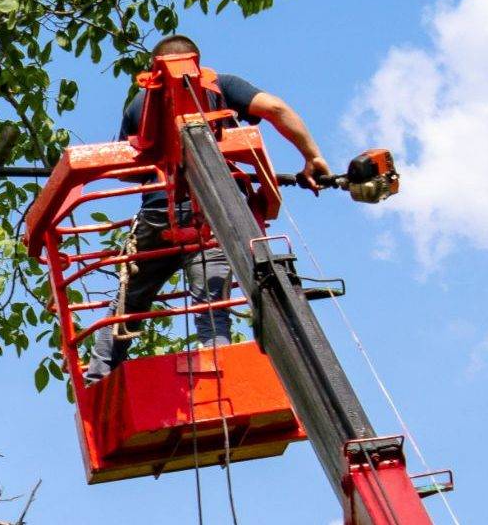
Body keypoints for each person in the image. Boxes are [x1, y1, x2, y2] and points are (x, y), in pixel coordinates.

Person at [83, 34, 332, 384]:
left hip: (158, 218)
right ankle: (221, 379)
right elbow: (276, 109)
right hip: (212, 215)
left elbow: (127, 167)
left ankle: (97, 379)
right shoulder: (221, 85)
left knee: (128, 304)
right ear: (198, 62)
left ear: (153, 69)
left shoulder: (140, 103)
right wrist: (312, 156)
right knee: (213, 308)